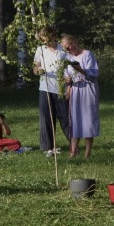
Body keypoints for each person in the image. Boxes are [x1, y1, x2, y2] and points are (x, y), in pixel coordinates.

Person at [61, 34, 100, 159]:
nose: (68, 50)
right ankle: (73, 152)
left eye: (68, 47)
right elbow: (66, 73)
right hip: (75, 89)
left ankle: (87, 153)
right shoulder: (68, 58)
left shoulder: (87, 54)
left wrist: (80, 69)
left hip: (88, 87)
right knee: (75, 120)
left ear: (73, 43)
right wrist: (67, 83)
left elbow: (94, 73)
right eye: (65, 49)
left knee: (88, 119)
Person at [32, 27, 69, 155]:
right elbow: (35, 68)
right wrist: (38, 71)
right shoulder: (40, 50)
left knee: (65, 117)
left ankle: (73, 144)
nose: (45, 44)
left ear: (53, 35)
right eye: (43, 41)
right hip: (45, 88)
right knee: (46, 118)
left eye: (47, 40)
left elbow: (69, 67)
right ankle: (49, 147)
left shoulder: (62, 50)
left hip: (61, 88)